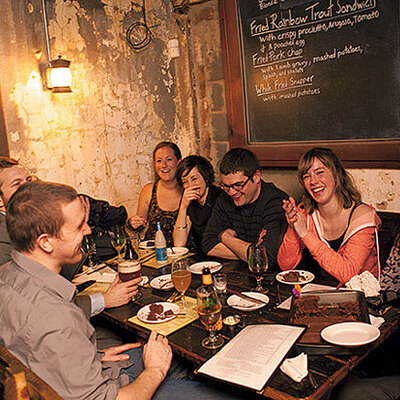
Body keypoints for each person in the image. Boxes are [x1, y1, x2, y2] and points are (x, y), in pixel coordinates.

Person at [0, 181, 243, 400]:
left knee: (177, 361)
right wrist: (155, 370)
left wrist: (90, 357)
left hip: (80, 374)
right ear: (45, 242)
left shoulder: (6, 275)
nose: (88, 230)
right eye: (78, 226)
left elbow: (38, 351)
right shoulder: (56, 318)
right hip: (113, 392)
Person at [0, 156, 137, 318]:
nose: (28, 187)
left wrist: (77, 228)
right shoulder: (4, 239)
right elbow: (39, 308)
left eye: (28, 180)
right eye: (17, 184)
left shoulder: (28, 222)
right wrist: (104, 300)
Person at [277, 147, 381, 286]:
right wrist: (293, 227)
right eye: (306, 176)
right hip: (325, 290)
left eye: (320, 172)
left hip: (364, 294)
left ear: (336, 175)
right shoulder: (306, 213)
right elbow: (285, 266)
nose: (313, 181)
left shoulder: (363, 216)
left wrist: (305, 233)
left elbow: (348, 273)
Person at [202, 148, 288, 266]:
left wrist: (225, 237)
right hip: (239, 272)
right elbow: (208, 245)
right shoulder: (225, 198)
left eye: (238, 185)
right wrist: (252, 253)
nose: (231, 192)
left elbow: (267, 258)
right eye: (226, 186)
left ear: (256, 177)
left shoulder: (276, 202)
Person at [129, 142, 183, 247]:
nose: (163, 165)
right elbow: (140, 225)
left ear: (179, 162)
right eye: (159, 161)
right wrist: (133, 223)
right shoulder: (149, 190)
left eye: (169, 159)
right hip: (154, 252)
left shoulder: (188, 189)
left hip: (185, 252)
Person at [173, 155, 223, 254]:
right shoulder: (189, 201)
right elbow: (179, 244)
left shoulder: (219, 198)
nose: (190, 185)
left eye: (194, 179)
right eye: (185, 182)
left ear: (205, 177)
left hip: (222, 254)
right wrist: (183, 206)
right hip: (201, 257)